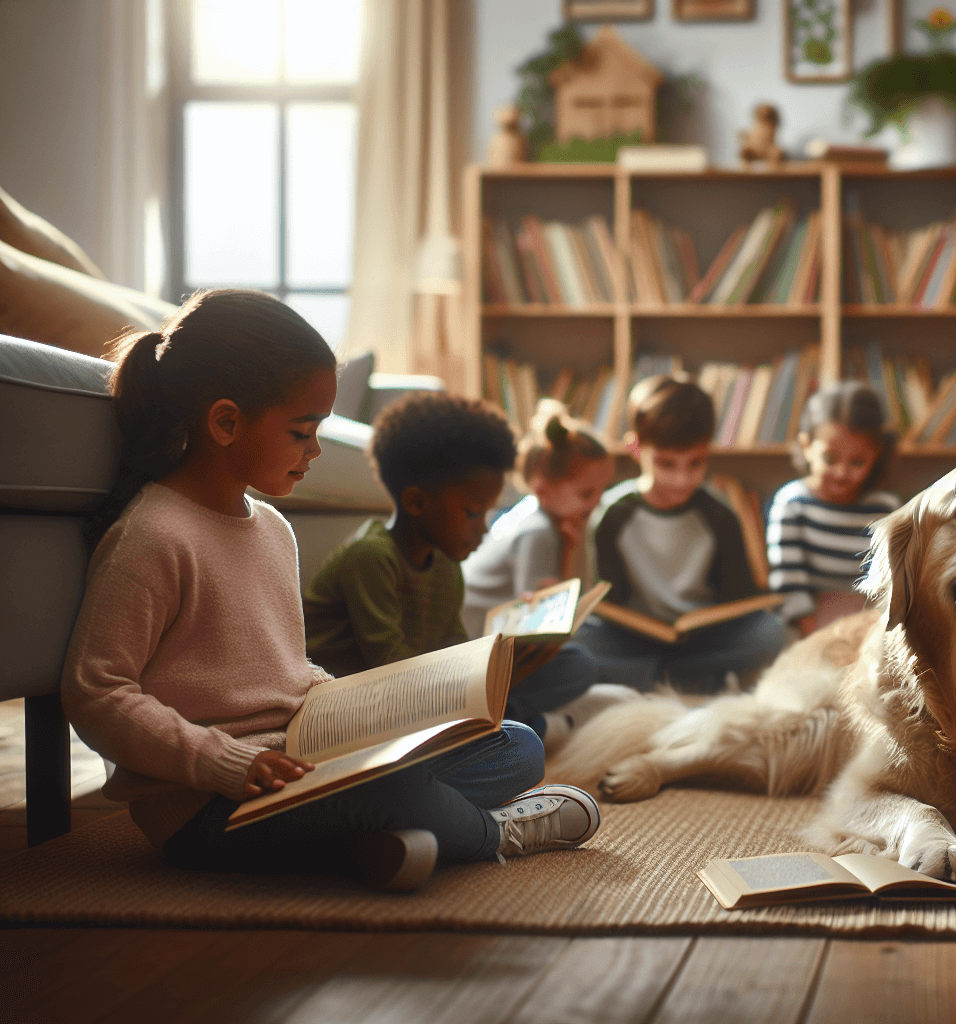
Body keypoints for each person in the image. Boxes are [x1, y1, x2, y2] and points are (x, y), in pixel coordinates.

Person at [61, 289, 598, 893]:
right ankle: (494, 834)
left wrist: (367, 709)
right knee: (396, 789)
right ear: (226, 423)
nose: (316, 449)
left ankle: (374, 840)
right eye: (301, 431)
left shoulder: (273, 530)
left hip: (306, 762)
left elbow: (284, 672)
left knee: (516, 746)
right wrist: (228, 762)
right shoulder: (153, 536)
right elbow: (97, 693)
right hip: (210, 806)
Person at [304, 392, 605, 752]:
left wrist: (510, 664)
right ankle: (516, 725)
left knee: (536, 726)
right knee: (516, 747)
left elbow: (456, 658)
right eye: (473, 513)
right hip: (354, 714)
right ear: (416, 502)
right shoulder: (370, 558)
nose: (484, 529)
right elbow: (391, 673)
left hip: (419, 701)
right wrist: (475, 685)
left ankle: (508, 726)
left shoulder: (447, 567)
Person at [570, 374, 786, 692]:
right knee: (580, 637)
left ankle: (656, 677)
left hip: (703, 638)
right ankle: (686, 678)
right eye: (666, 464)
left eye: (695, 463)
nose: (681, 479)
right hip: (635, 639)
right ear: (635, 448)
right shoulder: (612, 514)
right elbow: (609, 601)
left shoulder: (720, 515)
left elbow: (739, 600)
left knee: (769, 633)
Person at [461, 399, 614, 637]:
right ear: (543, 490)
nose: (597, 503)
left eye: (603, 490)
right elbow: (535, 617)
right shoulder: (537, 531)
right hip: (473, 638)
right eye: (586, 494)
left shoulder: (538, 517)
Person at [766, 382, 900, 637]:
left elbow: (890, 583)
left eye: (857, 462)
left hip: (868, 620)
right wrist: (816, 637)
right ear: (806, 446)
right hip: (806, 623)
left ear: (877, 454)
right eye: (830, 459)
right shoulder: (792, 503)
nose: (841, 472)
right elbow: (789, 583)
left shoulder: (886, 509)